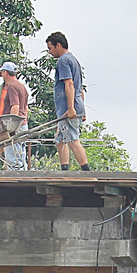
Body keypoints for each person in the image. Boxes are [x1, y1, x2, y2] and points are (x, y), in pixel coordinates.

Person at [45, 32, 91, 171]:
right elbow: (80, 88)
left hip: (68, 107)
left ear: (58, 45)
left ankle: (86, 170)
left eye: (50, 48)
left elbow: (70, 84)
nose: (50, 52)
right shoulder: (74, 60)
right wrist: (82, 109)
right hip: (73, 105)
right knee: (60, 138)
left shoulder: (63, 61)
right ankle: (64, 168)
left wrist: (71, 107)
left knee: (72, 139)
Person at [0, 61, 30, 170]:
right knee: (21, 155)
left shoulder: (12, 87)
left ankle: (16, 182)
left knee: (12, 158)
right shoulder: (21, 86)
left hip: (15, 126)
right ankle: (24, 177)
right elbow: (25, 108)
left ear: (5, 72)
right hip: (23, 125)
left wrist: (11, 127)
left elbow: (15, 107)